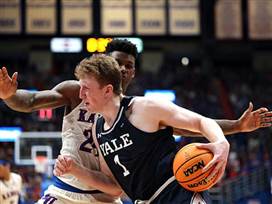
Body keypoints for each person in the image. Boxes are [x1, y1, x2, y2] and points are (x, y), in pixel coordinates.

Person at [0, 39, 271, 202]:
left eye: (129, 65)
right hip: (67, 190)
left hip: (110, 197)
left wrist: (236, 126)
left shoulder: (141, 111)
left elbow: (196, 124)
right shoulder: (78, 91)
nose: (123, 68)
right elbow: (31, 101)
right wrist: (10, 96)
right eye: (117, 62)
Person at [70, 54, 229, 203]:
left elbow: (201, 122)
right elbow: (114, 186)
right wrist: (75, 170)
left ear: (107, 90)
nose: (81, 95)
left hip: (178, 194)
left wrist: (221, 142)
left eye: (86, 88)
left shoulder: (144, 108)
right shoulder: (98, 130)